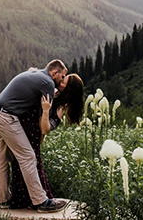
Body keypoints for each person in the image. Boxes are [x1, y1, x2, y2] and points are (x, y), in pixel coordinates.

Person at [0, 59, 68, 213]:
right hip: (7, 116)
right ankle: (41, 201)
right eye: (62, 76)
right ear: (54, 73)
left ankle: (3, 200)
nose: (63, 79)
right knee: (28, 156)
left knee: (2, 157)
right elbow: (44, 114)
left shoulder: (36, 73)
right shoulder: (48, 83)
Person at [6, 73, 85, 210]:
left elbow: (45, 129)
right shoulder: (52, 92)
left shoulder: (61, 106)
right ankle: (26, 200)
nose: (59, 82)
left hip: (33, 133)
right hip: (23, 127)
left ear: (69, 89)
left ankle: (35, 201)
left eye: (63, 82)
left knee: (29, 164)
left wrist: (46, 110)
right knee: (21, 164)